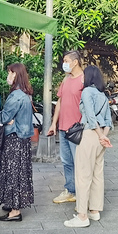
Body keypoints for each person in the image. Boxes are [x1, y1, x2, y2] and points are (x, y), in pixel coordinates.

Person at [0, 63, 34, 222]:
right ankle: (13, 203)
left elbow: (3, 118)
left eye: (10, 74)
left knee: (13, 173)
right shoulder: (25, 94)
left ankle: (15, 211)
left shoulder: (16, 95)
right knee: (18, 173)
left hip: (14, 139)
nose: (8, 77)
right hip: (23, 139)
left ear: (16, 75)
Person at [65, 66, 114, 228]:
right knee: (97, 175)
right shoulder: (102, 95)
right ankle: (94, 210)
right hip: (101, 140)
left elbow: (91, 117)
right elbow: (108, 121)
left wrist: (100, 135)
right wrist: (104, 136)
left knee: (83, 175)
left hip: (89, 135)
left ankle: (82, 215)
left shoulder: (87, 92)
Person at [47, 50, 84, 204]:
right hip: (63, 128)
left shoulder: (85, 80)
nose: (64, 63)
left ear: (75, 62)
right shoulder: (66, 79)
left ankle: (82, 192)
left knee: (79, 162)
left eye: (66, 60)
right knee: (66, 161)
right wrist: (54, 123)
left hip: (77, 130)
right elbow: (60, 102)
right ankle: (70, 190)